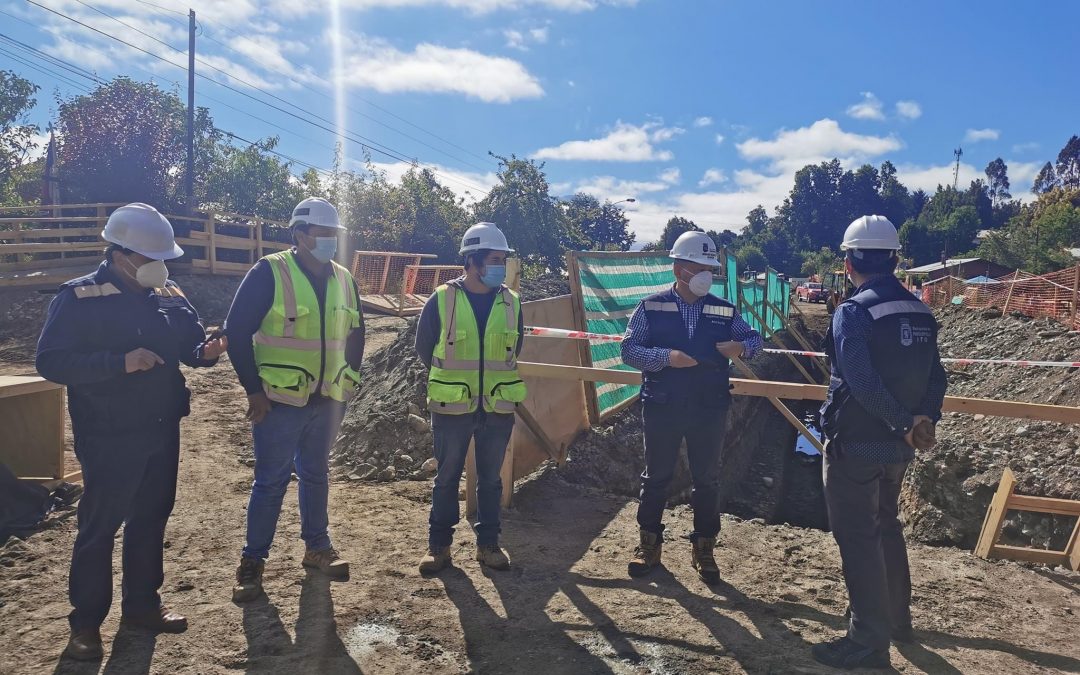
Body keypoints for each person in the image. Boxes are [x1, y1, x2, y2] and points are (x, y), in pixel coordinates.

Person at [36, 203, 227, 661]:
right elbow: (51, 361)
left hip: (162, 428)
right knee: (100, 529)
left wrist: (210, 350)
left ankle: (143, 606)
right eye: (149, 258)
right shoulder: (80, 297)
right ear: (121, 255)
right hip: (109, 434)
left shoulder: (168, 291)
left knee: (150, 521)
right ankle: (85, 625)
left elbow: (190, 348)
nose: (159, 265)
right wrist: (118, 363)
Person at [811, 215, 947, 670]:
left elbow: (861, 380)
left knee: (858, 538)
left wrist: (901, 421)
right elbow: (937, 374)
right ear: (894, 259)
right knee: (887, 526)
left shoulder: (854, 311)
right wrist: (921, 420)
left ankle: (868, 640)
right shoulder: (920, 311)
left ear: (849, 262)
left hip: (857, 442)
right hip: (897, 449)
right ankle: (896, 620)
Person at [225, 197, 365, 602]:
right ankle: (252, 564)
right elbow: (236, 333)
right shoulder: (269, 272)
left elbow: (357, 331)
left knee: (317, 475)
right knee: (270, 483)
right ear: (300, 235)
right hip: (280, 402)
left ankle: (317, 548)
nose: (329, 242)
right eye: (322, 235)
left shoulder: (344, 278)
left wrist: (351, 378)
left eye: (333, 235)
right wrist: (253, 390)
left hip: (327, 400)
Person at [620, 230, 763, 584]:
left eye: (709, 268)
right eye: (698, 267)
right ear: (678, 269)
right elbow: (628, 349)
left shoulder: (723, 308)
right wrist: (665, 357)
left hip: (708, 407)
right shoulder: (651, 307)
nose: (706, 274)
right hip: (663, 406)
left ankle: (704, 548)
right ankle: (649, 545)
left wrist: (742, 349)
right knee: (656, 478)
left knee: (708, 479)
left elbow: (754, 338)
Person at [414, 222, 525, 575]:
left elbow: (515, 348)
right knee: (447, 477)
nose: (501, 267)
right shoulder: (442, 299)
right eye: (495, 259)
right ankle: (439, 548)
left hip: (496, 405)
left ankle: (489, 545)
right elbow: (424, 348)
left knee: (491, 480)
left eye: (503, 260)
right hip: (452, 406)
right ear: (473, 261)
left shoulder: (512, 302)